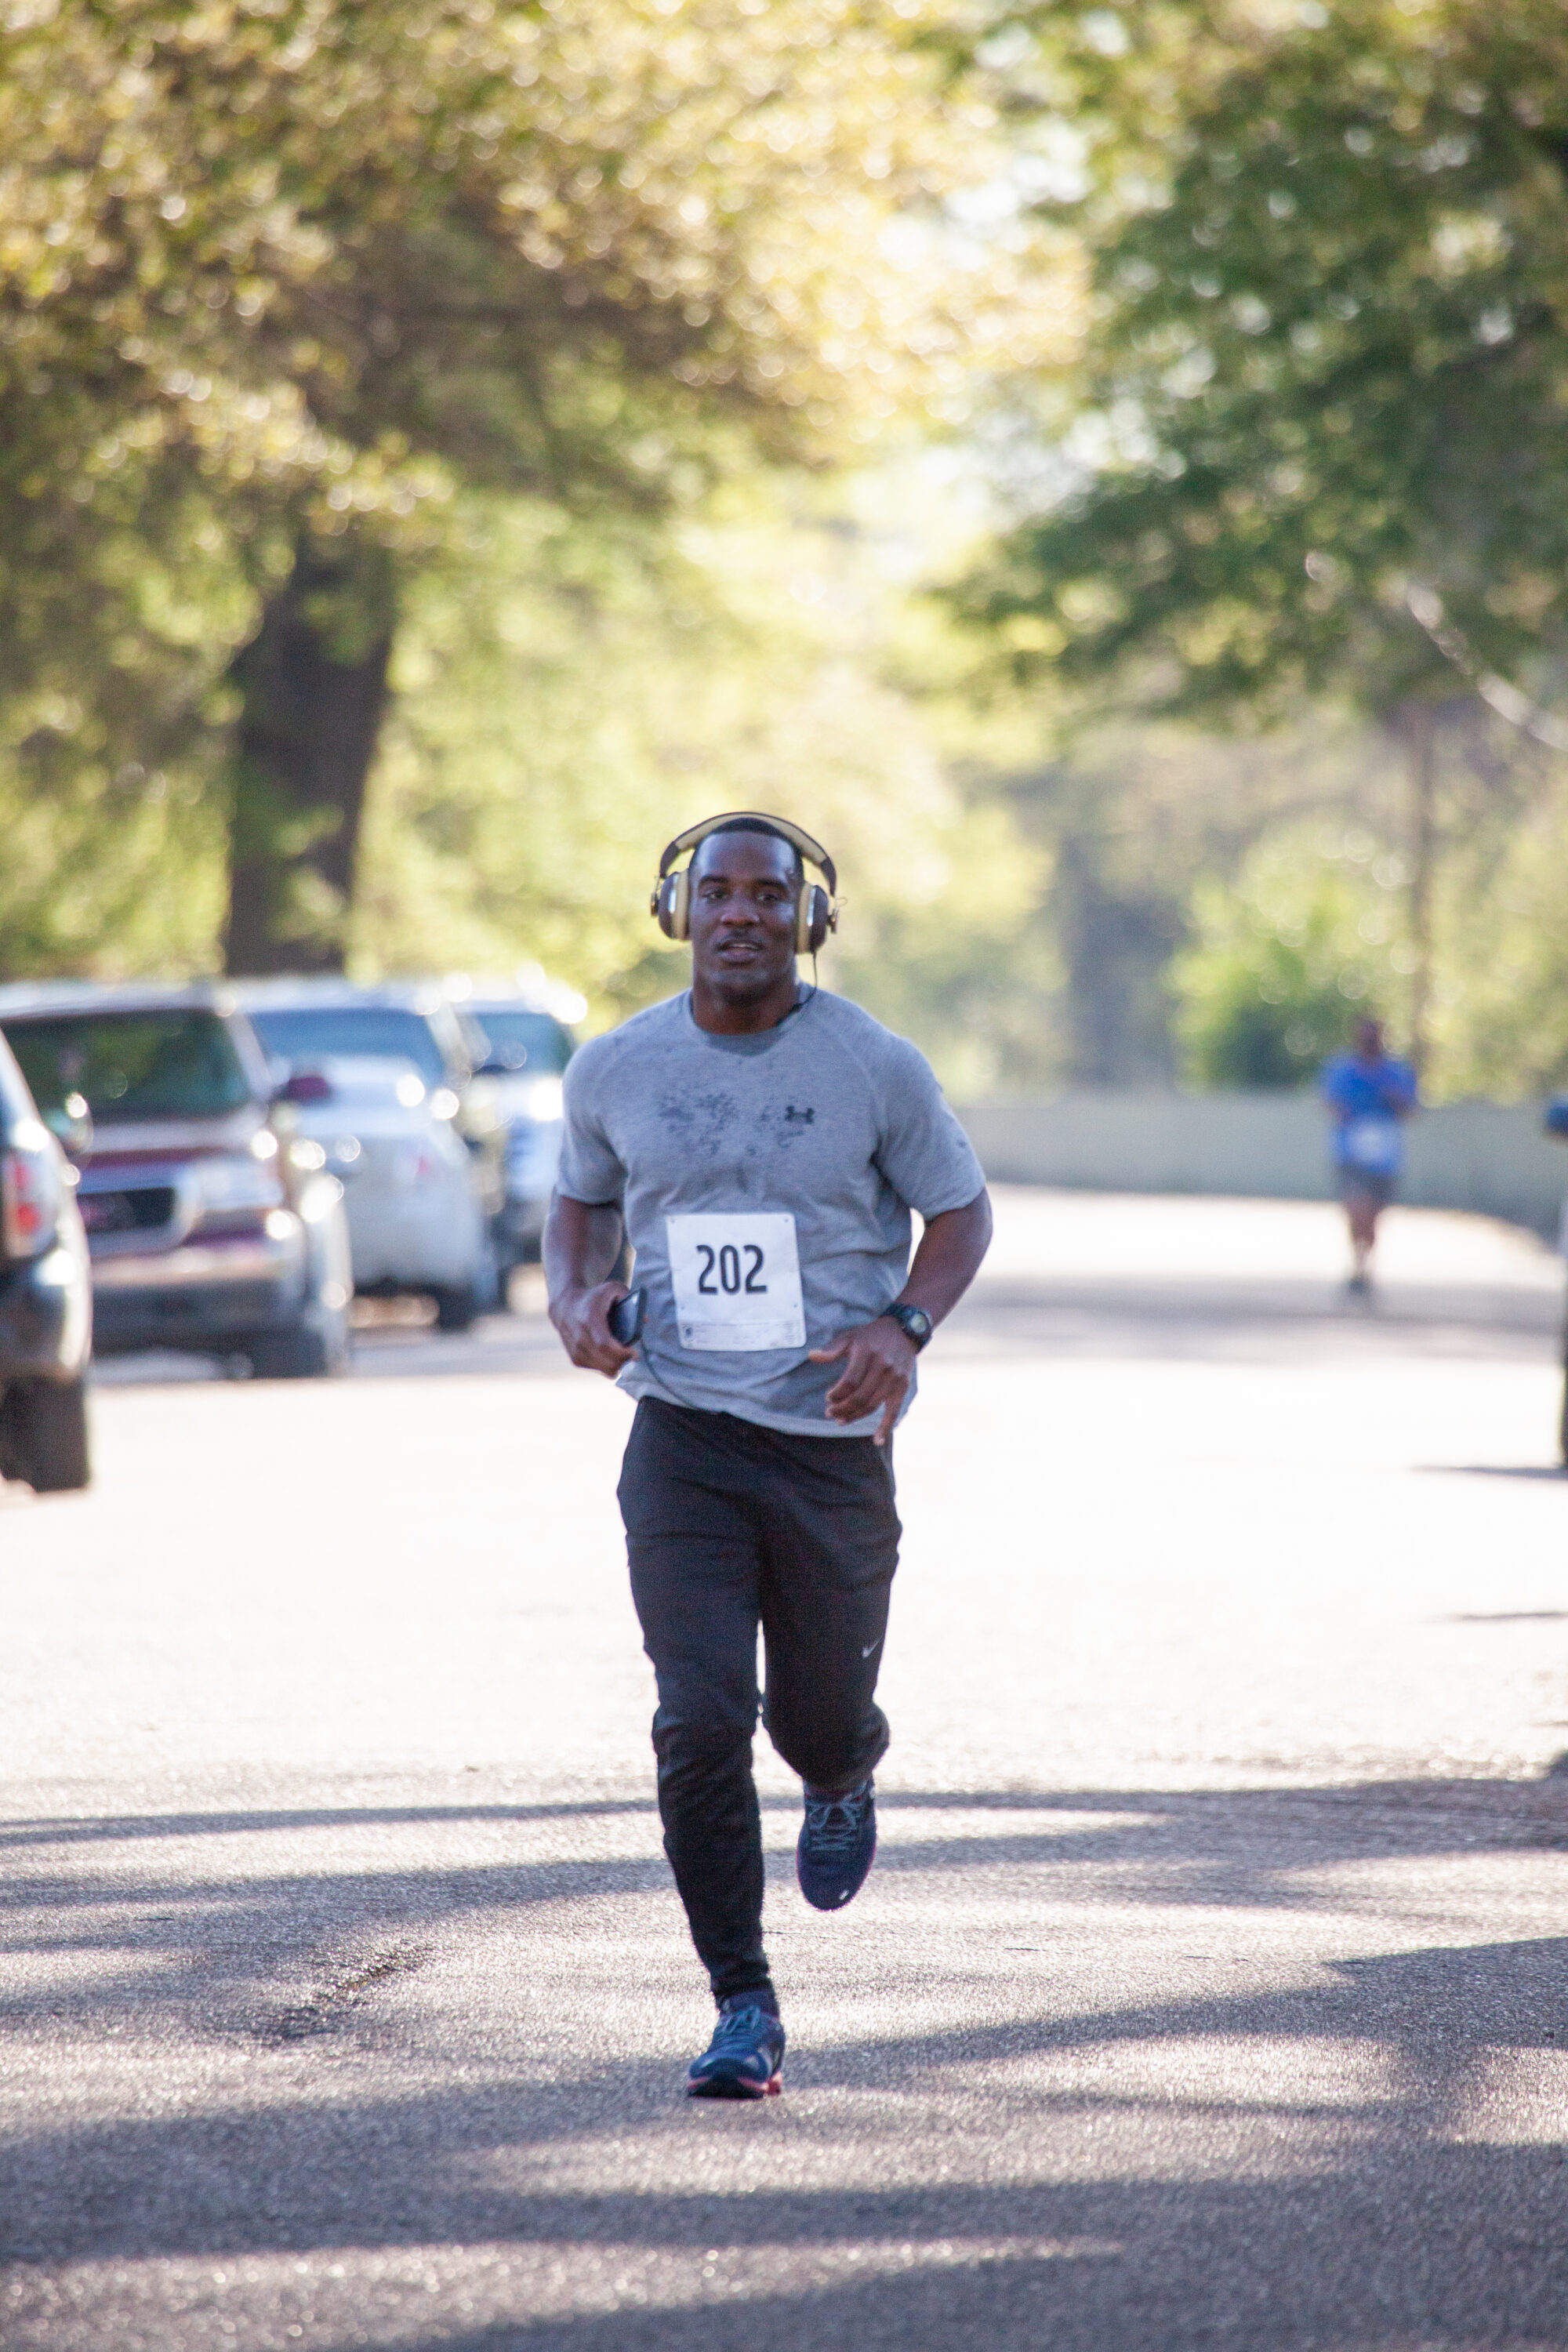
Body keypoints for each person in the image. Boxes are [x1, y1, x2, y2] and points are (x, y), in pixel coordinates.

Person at [544, 812, 993, 2100]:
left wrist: (904, 1329)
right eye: (719, 892)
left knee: (815, 1717)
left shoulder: (874, 1067)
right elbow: (574, 1208)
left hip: (829, 1444)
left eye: (770, 896)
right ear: (678, 909)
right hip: (680, 1432)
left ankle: (845, 1769)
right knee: (696, 1722)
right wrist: (576, 1300)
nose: (743, 913)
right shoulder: (615, 1068)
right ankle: (744, 2001)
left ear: (809, 920)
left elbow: (960, 1213)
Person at [1319, 1015, 1419, 1294]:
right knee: (1356, 1208)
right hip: (1351, 1150)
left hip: (1385, 1153)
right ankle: (1357, 1263)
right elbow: (1329, 1103)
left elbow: (1410, 1108)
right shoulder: (1342, 1070)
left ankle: (1367, 1264)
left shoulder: (1396, 1072)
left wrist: (1391, 1098)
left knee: (1373, 1215)